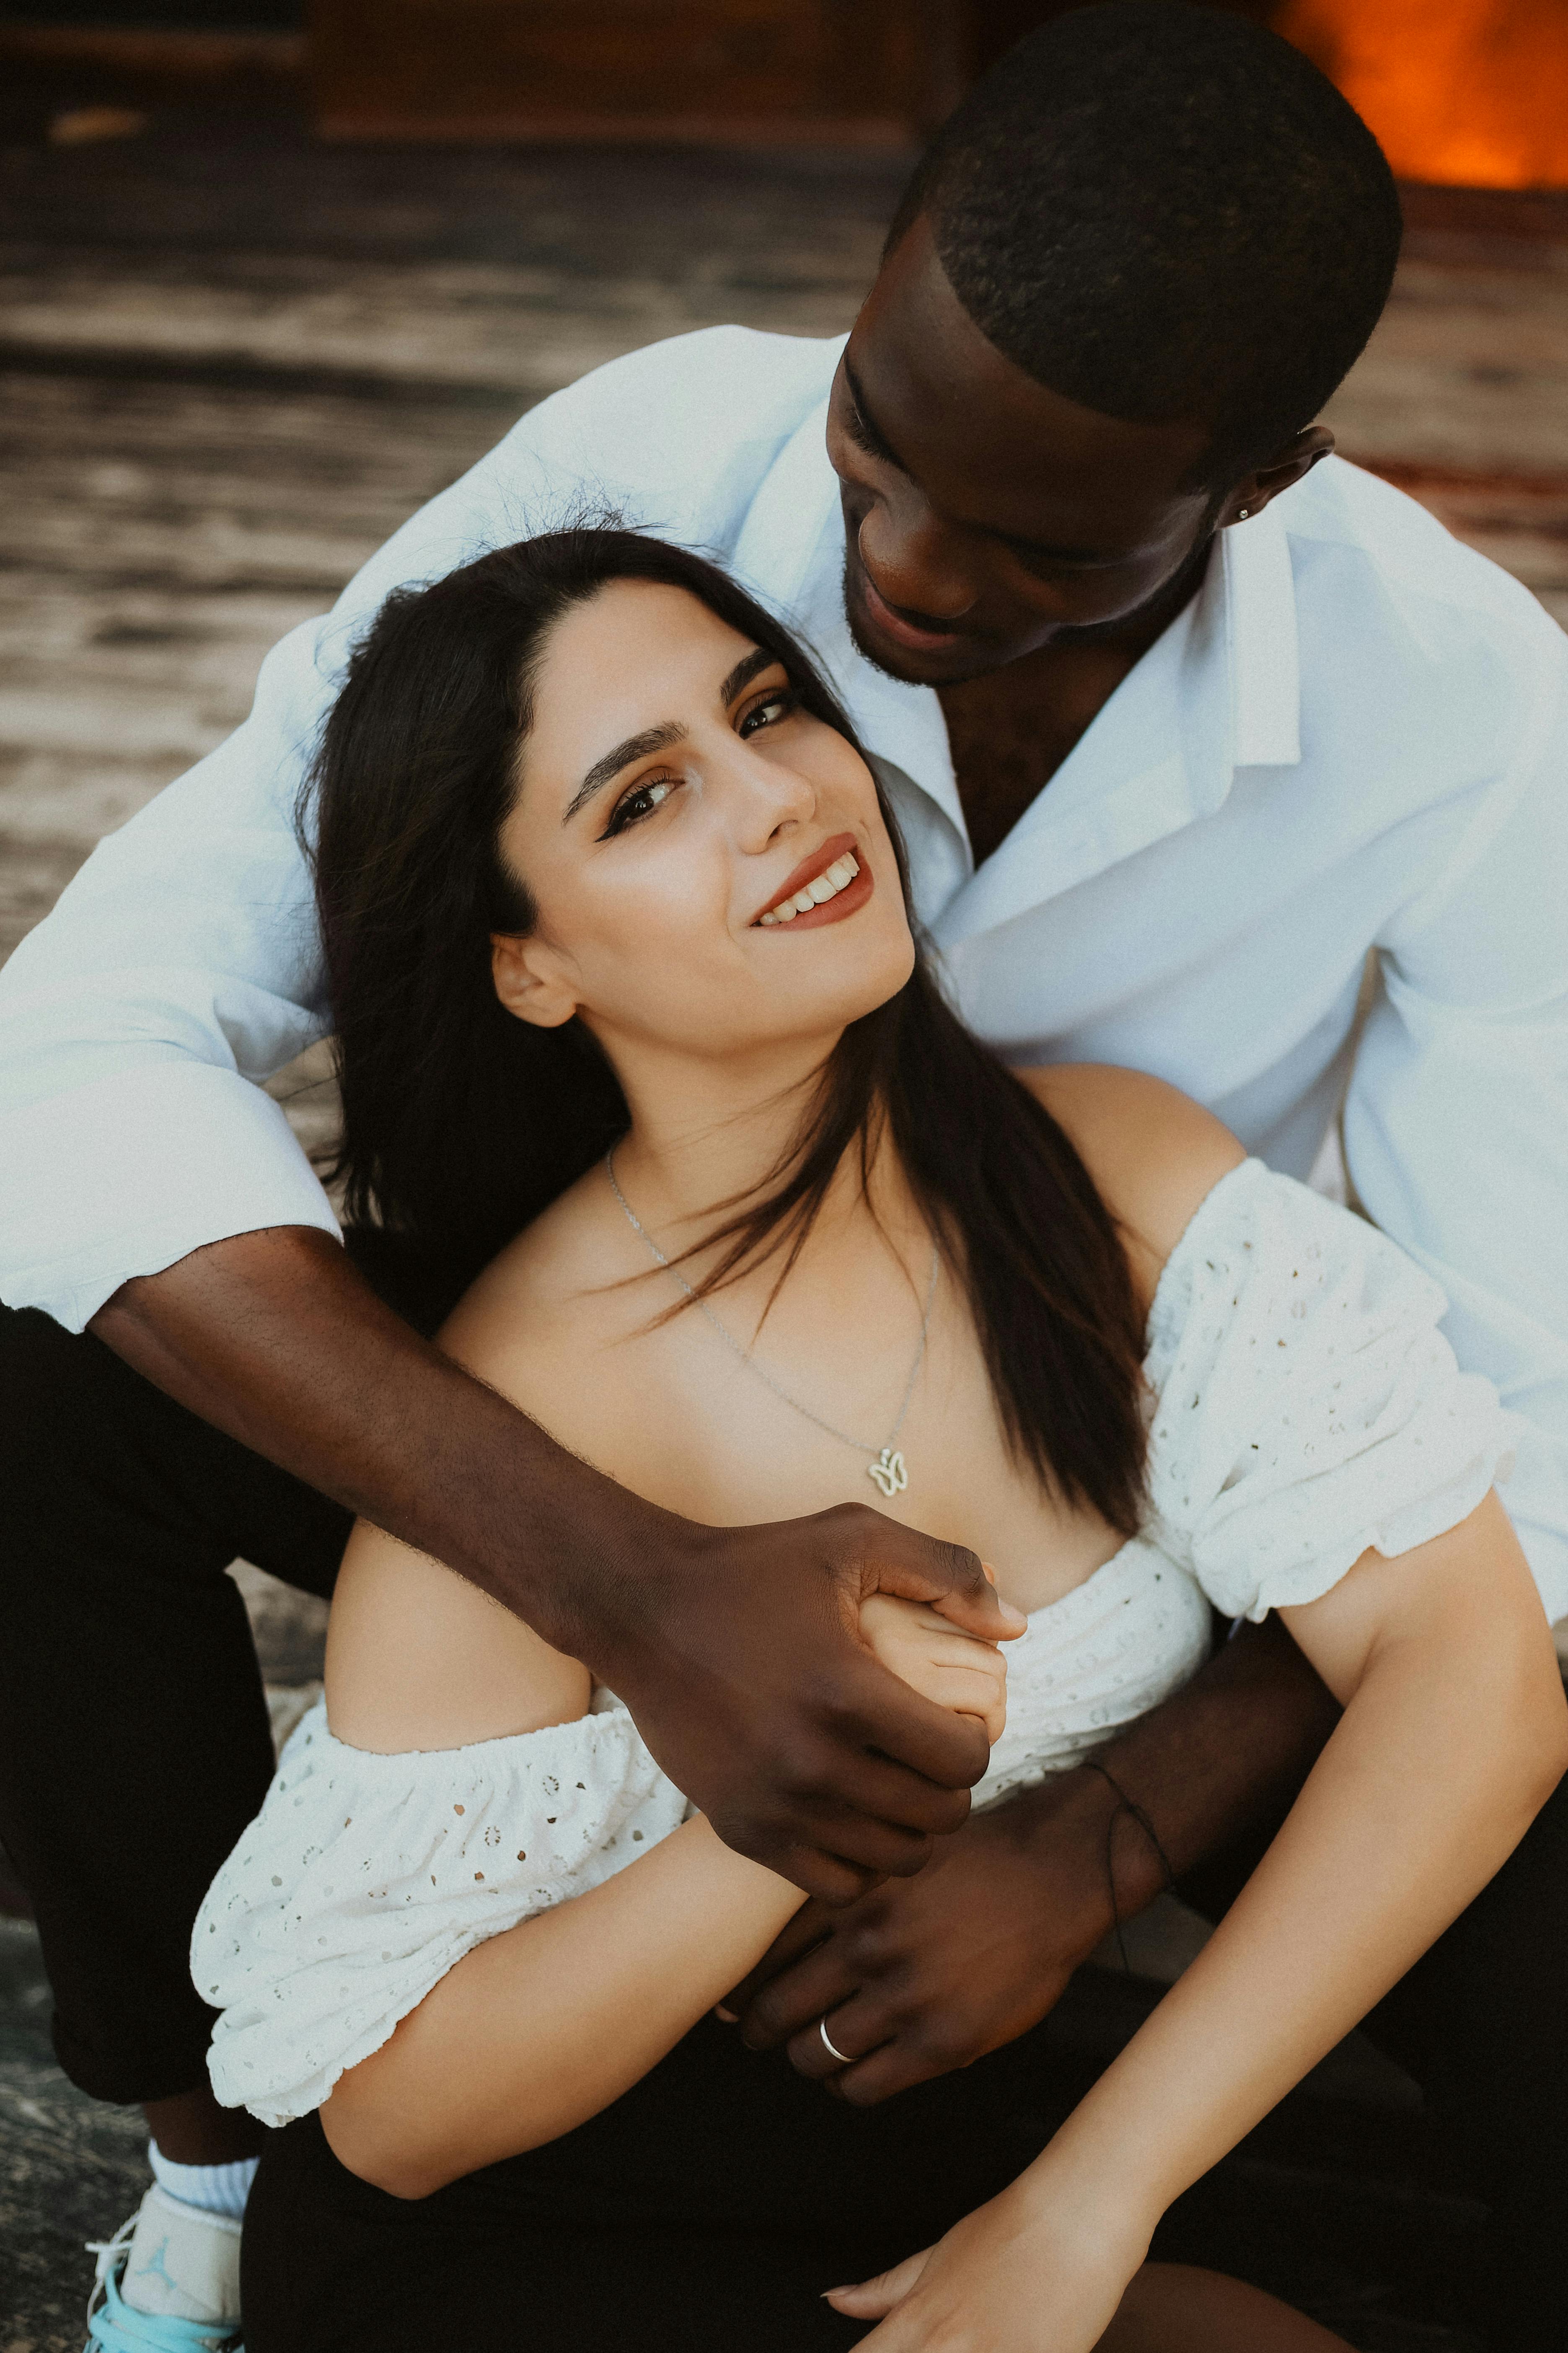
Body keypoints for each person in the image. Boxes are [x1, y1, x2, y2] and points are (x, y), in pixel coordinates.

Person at [0, 5, 1563, 2345]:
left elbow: (1528, 1426)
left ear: (1256, 484)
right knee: (38, 1356)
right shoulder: (647, 467)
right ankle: (210, 2160)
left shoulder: (1460, 716)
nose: (904, 583)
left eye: (1032, 540)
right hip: (636, 1422)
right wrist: (625, 1588)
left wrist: (1102, 1837)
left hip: (1150, 1459)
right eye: (873, 460)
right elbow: (81, 1044)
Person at [190, 529, 1563, 2353]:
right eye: (649, 797)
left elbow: (1470, 1671)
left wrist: (1090, 2201)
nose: (777, 797)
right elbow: (400, 2115)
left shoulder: (1104, 1177)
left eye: (769, 709)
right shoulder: (528, 1414)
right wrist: (805, 1791)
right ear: (529, 966)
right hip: (544, 2250)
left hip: (964, 2147)